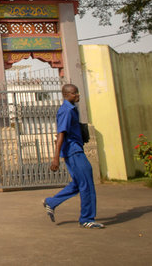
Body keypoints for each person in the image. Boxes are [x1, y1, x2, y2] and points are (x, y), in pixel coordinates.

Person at [43, 84, 105, 229]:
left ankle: (51, 202)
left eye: (77, 92)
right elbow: (61, 134)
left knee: (78, 183)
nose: (78, 95)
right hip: (73, 151)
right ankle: (87, 218)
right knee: (87, 184)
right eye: (74, 93)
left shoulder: (72, 109)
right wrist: (55, 157)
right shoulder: (66, 111)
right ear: (66, 95)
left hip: (75, 149)